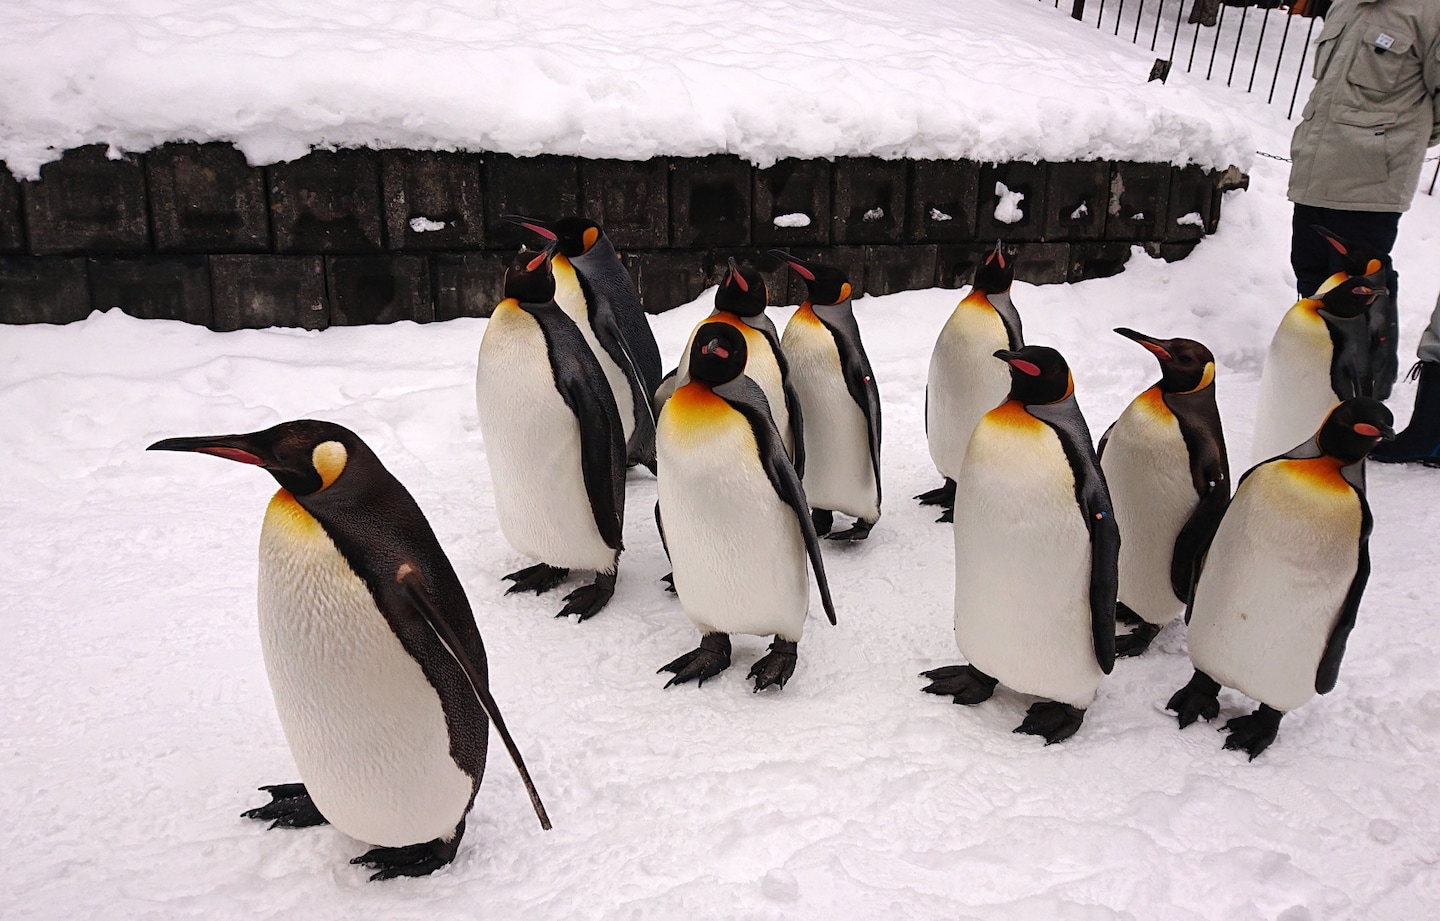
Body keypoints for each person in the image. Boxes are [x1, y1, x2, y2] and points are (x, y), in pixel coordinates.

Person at [1286, 0, 1440, 421]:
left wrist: (1397, 139)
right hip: (1317, 170)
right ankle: (1320, 377)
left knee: (1361, 284)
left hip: (1371, 181)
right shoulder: (1345, 3)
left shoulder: (1428, 10)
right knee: (1312, 274)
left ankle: (1364, 393)